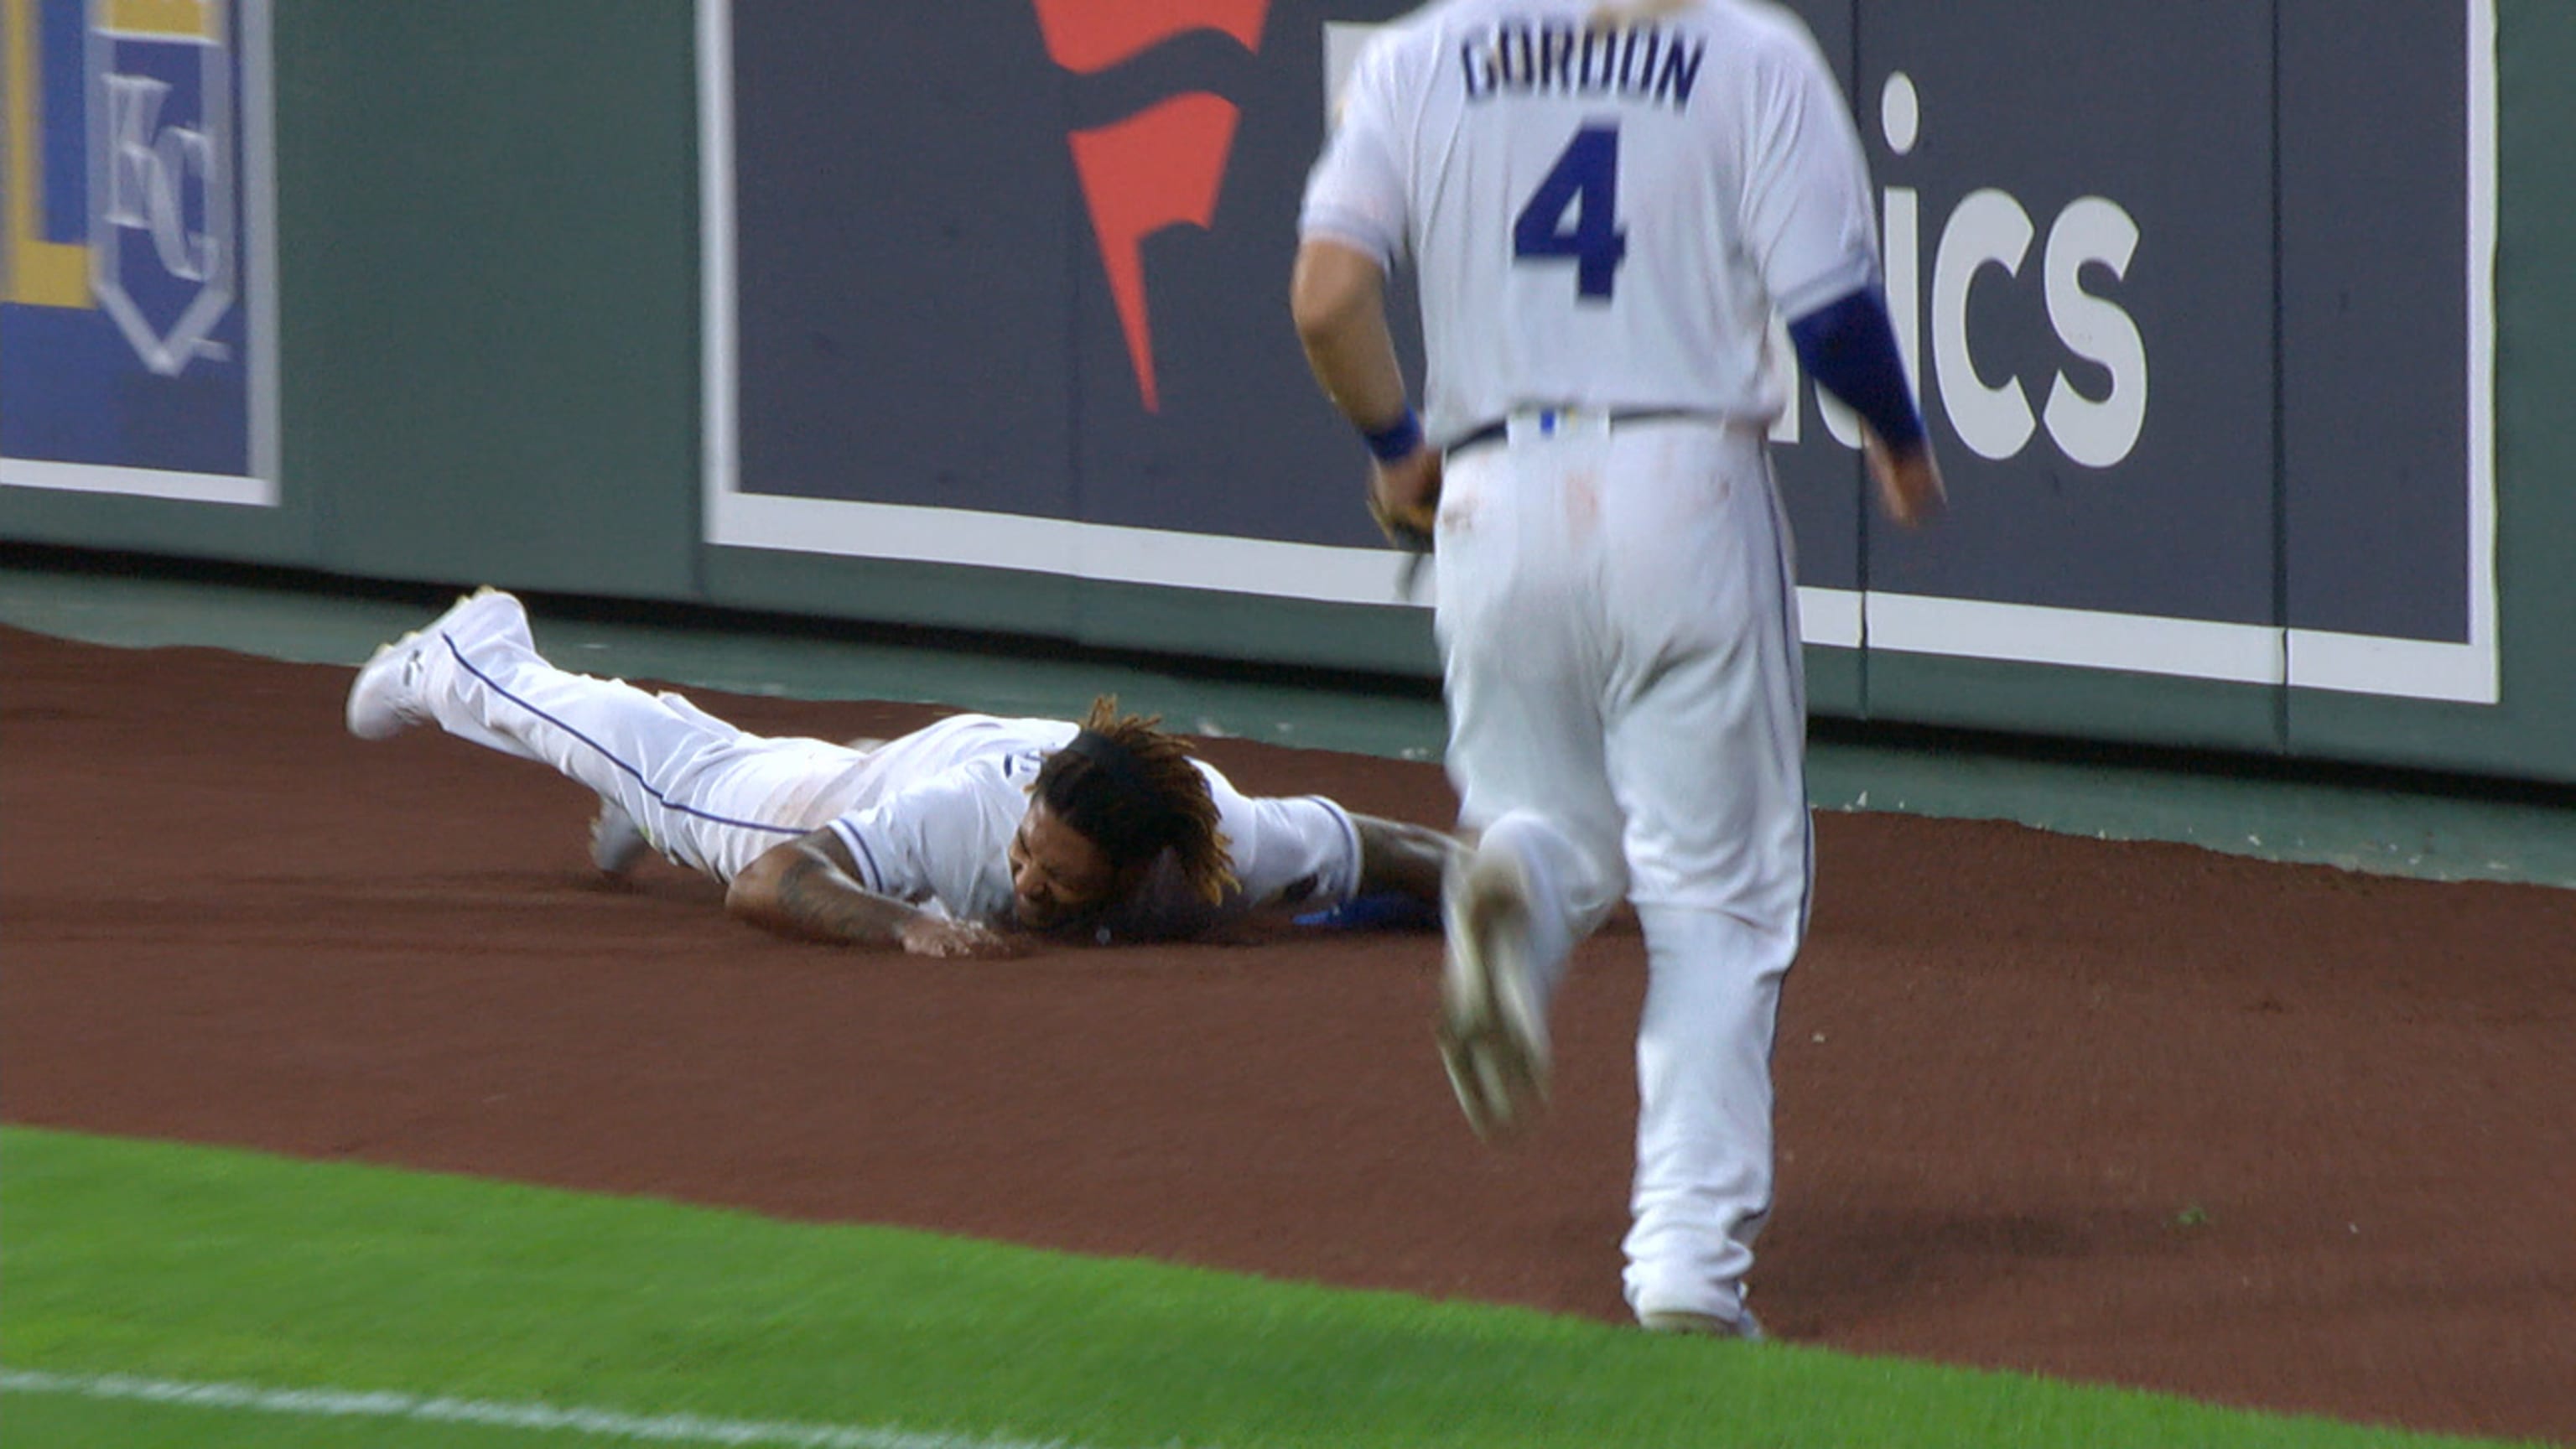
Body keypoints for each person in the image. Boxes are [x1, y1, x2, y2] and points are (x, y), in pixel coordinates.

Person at [1291, 0, 1945, 1340]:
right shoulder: (1748, 53)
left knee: (1550, 819)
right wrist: (1899, 438)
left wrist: (1395, 441)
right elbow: (1830, 317)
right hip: (1681, 485)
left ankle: (1514, 886)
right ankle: (1687, 1269)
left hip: (1490, 493)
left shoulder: (1426, 52)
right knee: (1720, 897)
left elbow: (1327, 296)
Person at [345, 589, 1457, 958]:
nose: (1029, 886)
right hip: (865, 800)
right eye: (1032, 858)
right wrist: (898, 925)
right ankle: (473, 658)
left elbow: (1403, 850)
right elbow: (771, 880)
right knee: (671, 774)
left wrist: (1537, 893)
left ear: (1144, 866)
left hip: (941, 761)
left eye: (1064, 883)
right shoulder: (973, 828)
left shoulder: (1230, 840)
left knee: (863, 785)